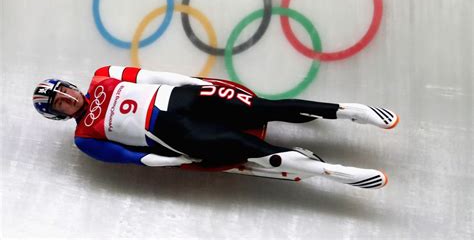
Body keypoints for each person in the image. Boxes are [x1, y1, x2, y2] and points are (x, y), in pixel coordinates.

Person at [33, 66, 399, 189]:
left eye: (64, 90)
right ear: (58, 114)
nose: (68, 97)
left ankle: (348, 111)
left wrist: (193, 82)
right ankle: (334, 172)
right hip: (175, 135)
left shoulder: (105, 76)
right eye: (60, 102)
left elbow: (154, 75)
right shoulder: (85, 138)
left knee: (263, 108)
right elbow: (133, 158)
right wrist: (175, 161)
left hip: (186, 98)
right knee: (250, 149)